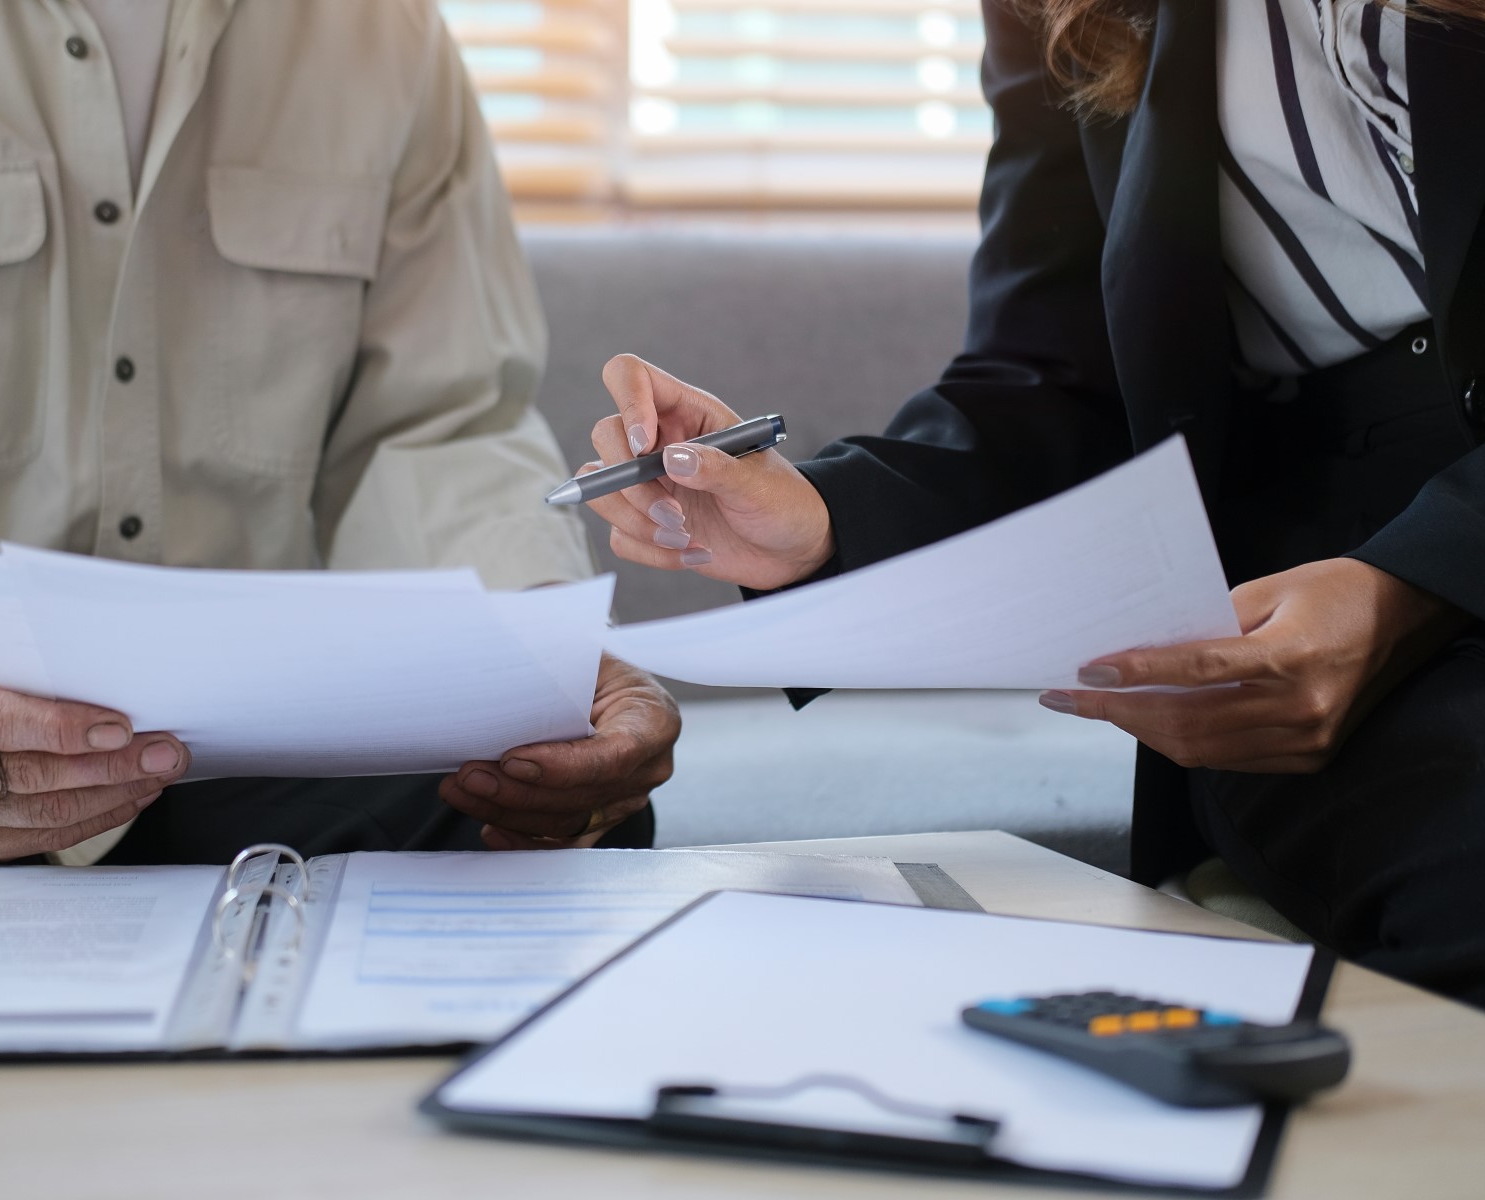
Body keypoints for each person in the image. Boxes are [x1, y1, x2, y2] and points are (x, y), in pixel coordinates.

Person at [575, 0, 1485, 1005]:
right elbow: (1054, 376)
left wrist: (1414, 581)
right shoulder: (1062, 11)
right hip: (1298, 612)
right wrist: (823, 526)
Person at [0, 1, 677, 869]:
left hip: (255, 734)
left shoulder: (385, 30)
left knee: (556, 822)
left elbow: (439, 422)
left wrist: (537, 664)